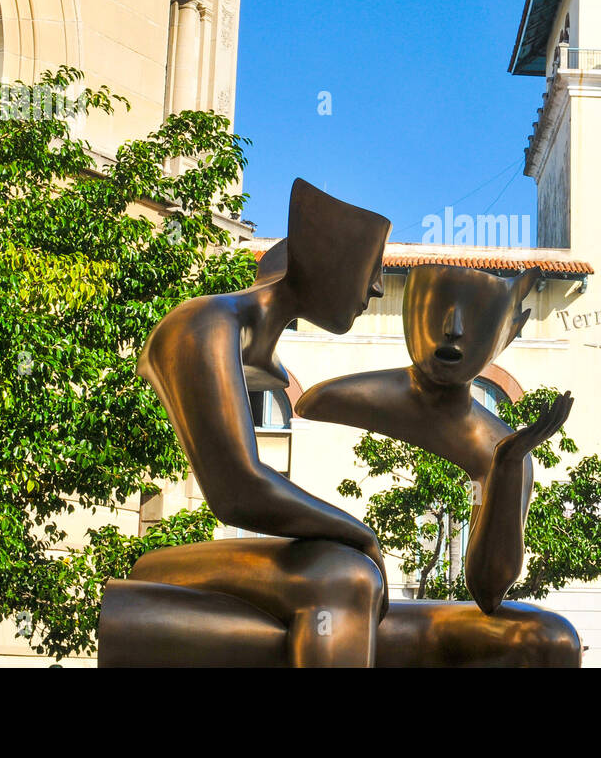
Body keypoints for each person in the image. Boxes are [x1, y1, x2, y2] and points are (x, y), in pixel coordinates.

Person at [98, 178, 393, 668]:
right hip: (160, 571)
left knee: (348, 572)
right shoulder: (206, 322)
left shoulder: (250, 350)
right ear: (320, 258)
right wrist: (360, 533)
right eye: (370, 265)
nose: (378, 287)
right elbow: (236, 488)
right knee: (345, 575)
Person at [295, 264, 572, 614]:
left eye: (476, 319)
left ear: (509, 334)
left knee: (546, 633)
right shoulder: (341, 398)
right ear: (408, 316)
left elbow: (489, 593)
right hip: (338, 596)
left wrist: (507, 463)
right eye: (435, 311)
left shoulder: (501, 446)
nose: (452, 329)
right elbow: (307, 406)